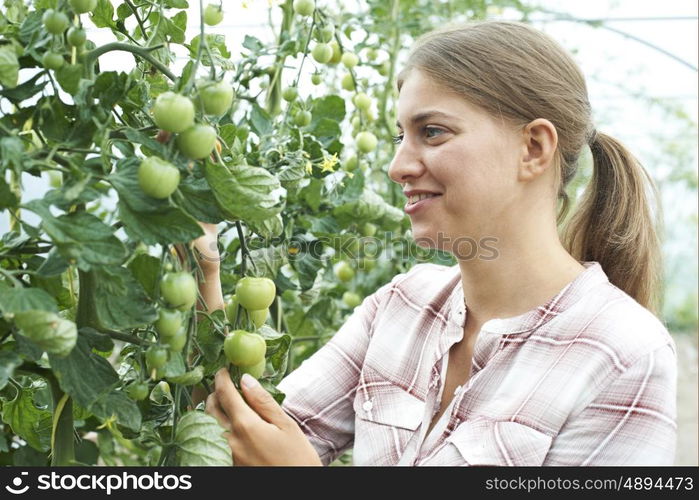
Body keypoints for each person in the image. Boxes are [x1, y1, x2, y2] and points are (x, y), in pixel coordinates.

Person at [195, 20, 677, 466]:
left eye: (432, 132)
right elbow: (245, 438)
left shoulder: (623, 354)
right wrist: (202, 267)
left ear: (533, 148)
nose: (398, 166)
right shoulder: (402, 306)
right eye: (400, 136)